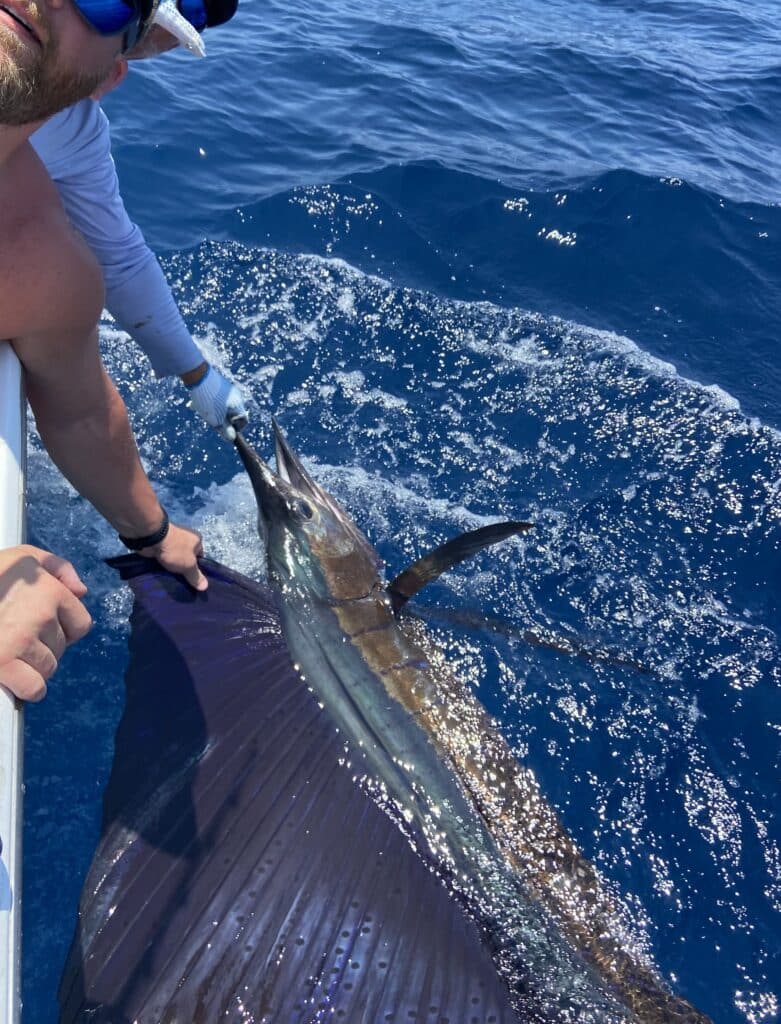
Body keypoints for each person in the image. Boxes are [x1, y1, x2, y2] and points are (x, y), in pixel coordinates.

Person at [0, 0, 230, 703]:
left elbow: (77, 411)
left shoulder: (41, 264)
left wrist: (152, 533)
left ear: (111, 75)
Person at [30, 0, 250, 439]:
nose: (115, 72)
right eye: (102, 12)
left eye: (133, 50)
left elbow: (121, 259)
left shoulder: (76, 130)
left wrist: (198, 374)